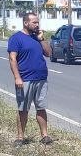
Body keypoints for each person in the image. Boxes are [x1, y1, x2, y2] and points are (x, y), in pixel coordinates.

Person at [7, 12, 52, 146]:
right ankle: (20, 137)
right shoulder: (16, 38)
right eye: (34, 22)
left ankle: (44, 135)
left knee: (41, 107)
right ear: (26, 23)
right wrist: (17, 78)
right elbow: (12, 59)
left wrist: (41, 39)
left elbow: (48, 53)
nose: (37, 24)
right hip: (25, 79)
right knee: (23, 109)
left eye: (38, 22)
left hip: (41, 78)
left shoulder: (37, 38)